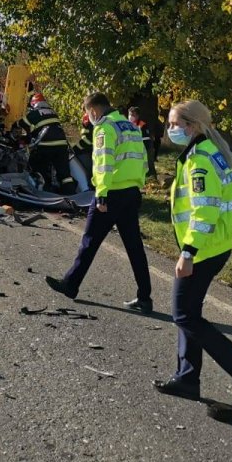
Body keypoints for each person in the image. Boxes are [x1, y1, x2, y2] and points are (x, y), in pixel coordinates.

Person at [153, 100, 232, 408]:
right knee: (188, 314)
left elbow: (204, 210)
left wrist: (189, 251)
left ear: (192, 127)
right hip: (213, 244)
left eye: (175, 124)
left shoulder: (201, 161)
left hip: (204, 248)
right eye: (169, 124)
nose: (170, 130)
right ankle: (187, 378)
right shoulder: (205, 153)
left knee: (183, 314)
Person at [47, 93, 152, 312]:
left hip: (110, 193)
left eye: (88, 113)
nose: (89, 117)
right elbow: (143, 159)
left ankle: (70, 284)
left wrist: (102, 193)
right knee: (135, 247)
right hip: (132, 192)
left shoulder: (105, 127)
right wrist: (137, 186)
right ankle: (145, 298)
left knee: (90, 241)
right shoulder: (130, 126)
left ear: (93, 110)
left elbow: (104, 163)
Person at [18, 92, 76, 195]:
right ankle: (70, 195)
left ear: (34, 104)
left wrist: (27, 135)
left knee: (40, 169)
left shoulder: (35, 113)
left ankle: (46, 193)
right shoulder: (53, 112)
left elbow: (21, 123)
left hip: (46, 145)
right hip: (62, 146)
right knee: (65, 174)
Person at [128, 105, 157, 178]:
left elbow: (146, 138)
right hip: (134, 148)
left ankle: (152, 175)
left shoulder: (142, 125)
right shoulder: (127, 125)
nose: (130, 116)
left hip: (146, 146)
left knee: (149, 162)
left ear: (137, 116)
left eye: (133, 115)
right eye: (129, 114)